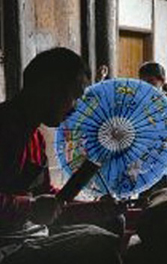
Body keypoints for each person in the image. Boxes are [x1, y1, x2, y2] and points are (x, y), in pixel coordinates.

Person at [0, 48, 122, 264]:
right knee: (100, 242)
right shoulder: (5, 126)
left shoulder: (36, 137)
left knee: (114, 220)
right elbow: (35, 205)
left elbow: (46, 198)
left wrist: (94, 208)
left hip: (31, 232)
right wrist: (30, 207)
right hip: (8, 244)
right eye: (73, 96)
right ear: (47, 87)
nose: (74, 108)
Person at [138, 62, 167, 189]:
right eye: (143, 82)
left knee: (159, 178)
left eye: (151, 81)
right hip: (147, 163)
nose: (147, 86)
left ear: (162, 81)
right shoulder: (141, 103)